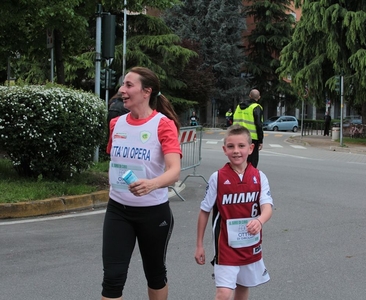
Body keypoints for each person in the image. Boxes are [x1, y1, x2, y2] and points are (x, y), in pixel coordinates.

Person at [102, 66, 182, 300]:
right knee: (112, 278)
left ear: (146, 91)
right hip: (118, 210)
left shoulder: (163, 124)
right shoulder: (116, 124)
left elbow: (174, 170)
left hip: (153, 213)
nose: (121, 90)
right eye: (123, 85)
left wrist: (152, 184)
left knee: (155, 274)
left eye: (128, 85)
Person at [195, 124, 273, 300]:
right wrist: (199, 244)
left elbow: (267, 207)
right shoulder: (218, 177)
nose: (236, 151)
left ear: (251, 148)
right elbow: (204, 211)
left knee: (242, 287)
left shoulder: (259, 177)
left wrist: (259, 221)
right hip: (225, 247)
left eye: (241, 146)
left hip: (249, 245)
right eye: (231, 146)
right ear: (224, 150)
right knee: (223, 293)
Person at [233, 89, 264, 168]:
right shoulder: (256, 107)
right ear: (259, 97)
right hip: (252, 138)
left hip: (238, 136)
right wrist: (260, 140)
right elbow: (259, 125)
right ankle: (249, 177)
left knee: (239, 158)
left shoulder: (239, 106)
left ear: (250, 96)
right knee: (252, 161)